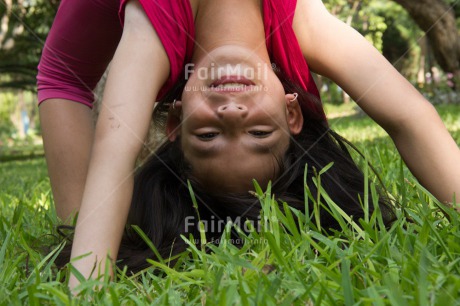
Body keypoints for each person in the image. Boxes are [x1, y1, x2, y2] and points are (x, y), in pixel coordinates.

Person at [38, 0, 460, 288]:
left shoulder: (155, 27)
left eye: (207, 136)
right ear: (291, 112)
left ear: (176, 119)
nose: (233, 115)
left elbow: (116, 149)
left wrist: (85, 258)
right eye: (260, 133)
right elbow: (408, 116)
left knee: (83, 216)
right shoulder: (300, 23)